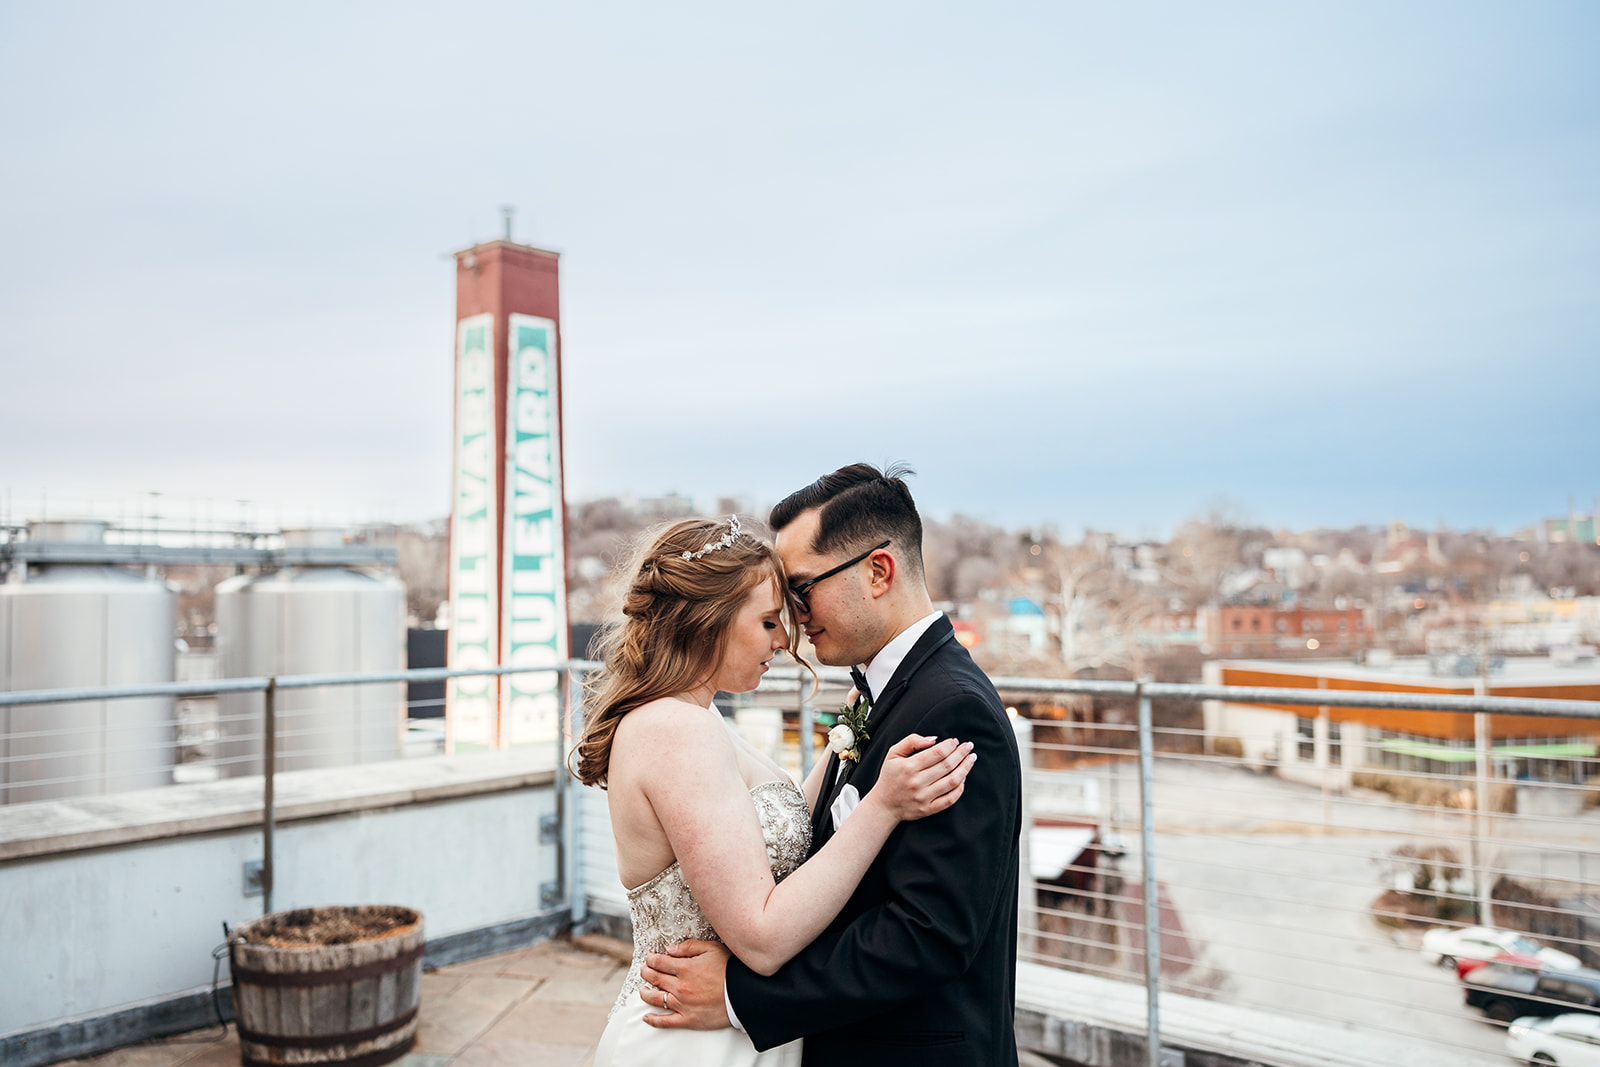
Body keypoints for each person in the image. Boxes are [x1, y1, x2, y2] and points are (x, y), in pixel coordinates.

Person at [638, 463, 1024, 1066]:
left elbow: (927, 934)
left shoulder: (950, 709)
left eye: (801, 589)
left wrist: (741, 996)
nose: (794, 618)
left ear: (877, 571)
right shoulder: (884, 691)